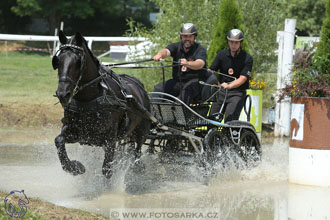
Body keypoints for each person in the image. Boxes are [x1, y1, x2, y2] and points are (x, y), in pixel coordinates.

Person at [153, 23, 208, 105]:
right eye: (185, 36)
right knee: (159, 88)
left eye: (190, 36)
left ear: (194, 37)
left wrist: (187, 63)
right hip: (178, 82)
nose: (187, 39)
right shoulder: (176, 46)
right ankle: (154, 113)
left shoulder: (200, 49)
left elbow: (200, 64)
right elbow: (166, 51)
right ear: (181, 37)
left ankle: (179, 115)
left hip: (195, 83)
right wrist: (160, 55)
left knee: (184, 93)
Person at [209, 29, 253, 122]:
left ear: (240, 43)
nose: (233, 45)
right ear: (228, 42)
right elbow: (211, 70)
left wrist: (229, 86)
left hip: (237, 93)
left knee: (230, 120)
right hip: (221, 92)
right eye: (231, 42)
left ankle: (229, 135)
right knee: (212, 119)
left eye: (236, 43)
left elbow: (243, 78)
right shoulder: (222, 55)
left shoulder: (247, 58)